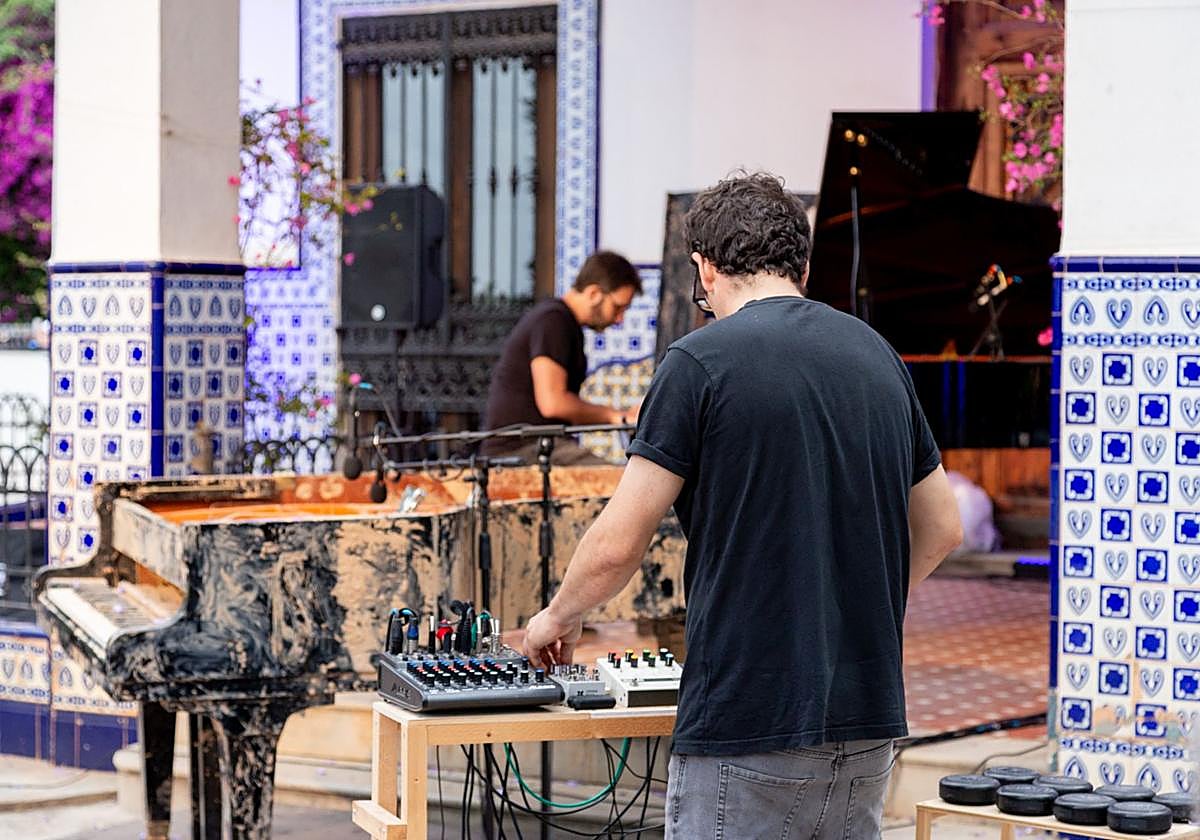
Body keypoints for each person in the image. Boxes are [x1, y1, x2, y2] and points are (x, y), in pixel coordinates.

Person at [522, 172, 962, 838]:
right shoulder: (877, 356)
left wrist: (556, 617)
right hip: (869, 722)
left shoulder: (698, 363)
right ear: (804, 266)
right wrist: (848, 602)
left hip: (749, 723)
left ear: (706, 267)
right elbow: (943, 526)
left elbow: (620, 540)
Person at [481, 249, 642, 464]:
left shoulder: (563, 322)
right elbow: (552, 403)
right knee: (617, 488)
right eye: (618, 307)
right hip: (521, 452)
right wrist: (615, 416)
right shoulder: (553, 321)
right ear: (594, 293)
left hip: (540, 447)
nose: (620, 319)